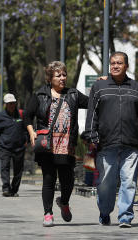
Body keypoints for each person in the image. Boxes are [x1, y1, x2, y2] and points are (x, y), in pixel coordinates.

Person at [83, 51, 138, 229]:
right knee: (106, 183)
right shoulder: (99, 87)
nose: (115, 66)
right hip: (106, 143)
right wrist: (91, 135)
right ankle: (105, 212)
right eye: (113, 63)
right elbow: (92, 114)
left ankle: (125, 217)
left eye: (119, 63)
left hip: (131, 144)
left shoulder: (137, 88)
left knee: (129, 182)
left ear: (126, 66)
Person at [24, 60, 89, 227]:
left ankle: (64, 202)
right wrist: (32, 132)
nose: (62, 78)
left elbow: (92, 102)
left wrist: (102, 83)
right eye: (58, 75)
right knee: (49, 179)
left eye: (64, 75)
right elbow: (27, 115)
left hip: (67, 145)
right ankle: (48, 213)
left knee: (68, 181)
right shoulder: (40, 95)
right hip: (47, 145)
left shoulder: (73, 94)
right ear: (50, 78)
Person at [0, 93, 27, 197]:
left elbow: (28, 128)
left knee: (18, 170)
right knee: (5, 168)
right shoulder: (0, 117)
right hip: (5, 148)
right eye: (9, 104)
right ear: (5, 104)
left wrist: (27, 140)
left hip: (19, 148)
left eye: (13, 103)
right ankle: (6, 188)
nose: (11, 105)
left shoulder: (21, 115)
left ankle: (14, 189)